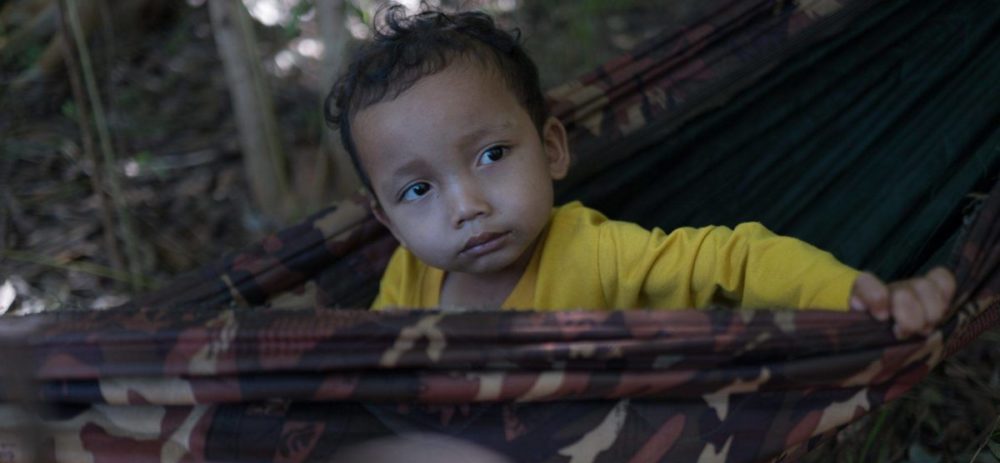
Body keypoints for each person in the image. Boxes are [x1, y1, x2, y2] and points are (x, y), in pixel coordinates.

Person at [326, 6, 954, 337]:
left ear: (552, 149)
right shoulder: (409, 278)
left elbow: (734, 262)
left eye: (491, 155)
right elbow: (373, 371)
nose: (467, 205)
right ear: (390, 222)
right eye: (418, 189)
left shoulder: (597, 256)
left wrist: (852, 296)